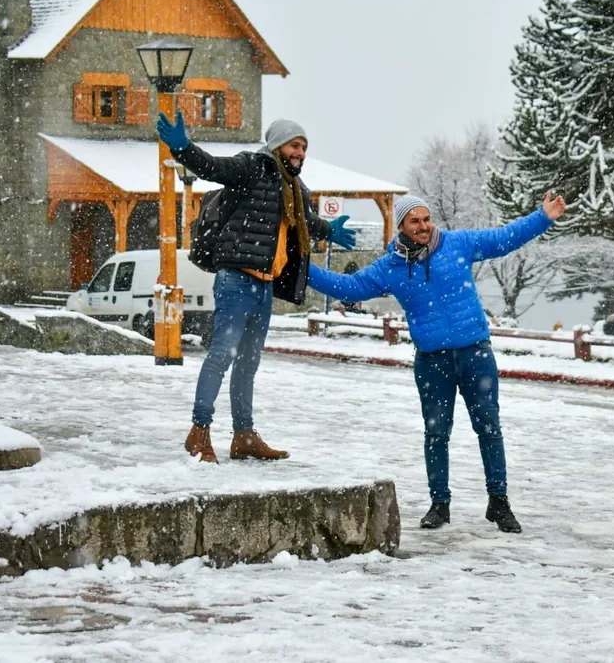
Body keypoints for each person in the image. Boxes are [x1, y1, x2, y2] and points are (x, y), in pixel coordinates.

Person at [306, 192, 565, 533]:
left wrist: (543, 217)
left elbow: (504, 238)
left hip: (475, 353)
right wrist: (299, 266)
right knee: (436, 433)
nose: (424, 226)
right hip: (432, 361)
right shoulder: (391, 268)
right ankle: (439, 504)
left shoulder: (458, 244)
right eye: (415, 221)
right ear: (401, 226)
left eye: (427, 219)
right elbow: (350, 287)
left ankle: (499, 502)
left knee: (489, 427)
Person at [156, 112, 357, 464]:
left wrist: (330, 231)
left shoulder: (294, 189)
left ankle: (244, 435)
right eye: (296, 145)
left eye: (305, 147)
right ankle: (199, 432)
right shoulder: (252, 167)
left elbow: (306, 222)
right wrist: (184, 148)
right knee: (221, 355)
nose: (301, 152)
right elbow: (212, 167)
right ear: (278, 145)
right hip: (236, 279)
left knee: (248, 364)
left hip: (265, 286)